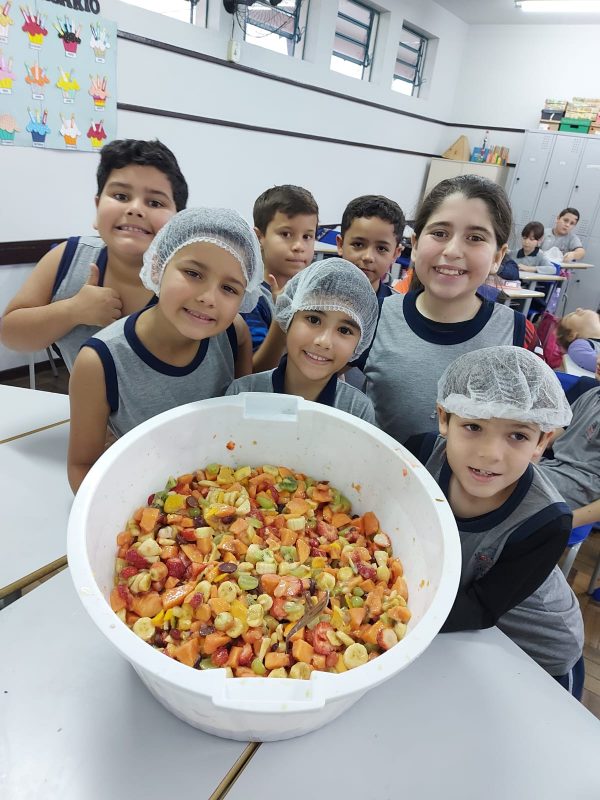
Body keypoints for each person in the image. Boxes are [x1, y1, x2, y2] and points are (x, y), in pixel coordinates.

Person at [405, 346, 584, 699]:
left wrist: (386, 618)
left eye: (517, 435)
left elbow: (481, 607)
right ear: (444, 419)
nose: (490, 453)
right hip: (455, 631)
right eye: (473, 426)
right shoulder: (419, 455)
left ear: (542, 441)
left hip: (533, 649)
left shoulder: (546, 522)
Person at [67, 208, 261, 493]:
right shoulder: (100, 362)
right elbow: (82, 466)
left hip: (223, 487)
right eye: (193, 273)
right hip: (143, 494)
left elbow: (242, 419)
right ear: (158, 266)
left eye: (229, 289)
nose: (208, 298)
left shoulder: (233, 334)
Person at [354, 174, 543, 445]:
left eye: (475, 237)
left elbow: (535, 429)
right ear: (416, 245)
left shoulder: (517, 335)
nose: (453, 250)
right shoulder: (375, 316)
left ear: (498, 257)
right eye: (440, 233)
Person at [1, 139, 188, 371]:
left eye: (154, 202)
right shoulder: (67, 259)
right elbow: (10, 334)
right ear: (98, 208)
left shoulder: (189, 278)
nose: (135, 209)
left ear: (179, 221)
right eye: (121, 196)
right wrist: (73, 310)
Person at [227, 258, 377, 423]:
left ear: (360, 342)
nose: (324, 341)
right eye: (313, 319)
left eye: (344, 330)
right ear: (288, 315)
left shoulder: (356, 410)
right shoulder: (244, 393)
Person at [241, 184, 319, 354]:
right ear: (259, 237)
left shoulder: (314, 295)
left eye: (307, 236)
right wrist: (281, 320)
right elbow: (253, 370)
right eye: (286, 234)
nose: (299, 246)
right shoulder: (251, 299)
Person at [539, 385, 600, 513]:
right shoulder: (594, 393)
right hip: (551, 467)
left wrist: (570, 520)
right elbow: (561, 433)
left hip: (581, 486)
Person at [336, 195, 405, 299]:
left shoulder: (397, 311)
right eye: (358, 244)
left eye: (381, 248)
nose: (368, 257)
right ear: (340, 244)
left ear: (395, 254)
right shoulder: (312, 298)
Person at [556, 307, 600, 373]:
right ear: (571, 336)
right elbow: (593, 362)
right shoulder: (578, 345)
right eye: (571, 316)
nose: (578, 309)